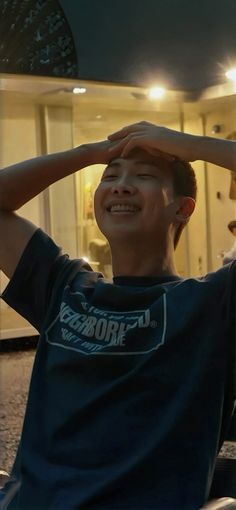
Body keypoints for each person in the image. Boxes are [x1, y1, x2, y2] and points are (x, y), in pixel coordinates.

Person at [0, 121, 235, 510]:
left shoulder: (213, 301)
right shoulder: (64, 285)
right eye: (111, 176)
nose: (121, 185)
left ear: (183, 208)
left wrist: (189, 143)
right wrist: (87, 154)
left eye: (143, 176)